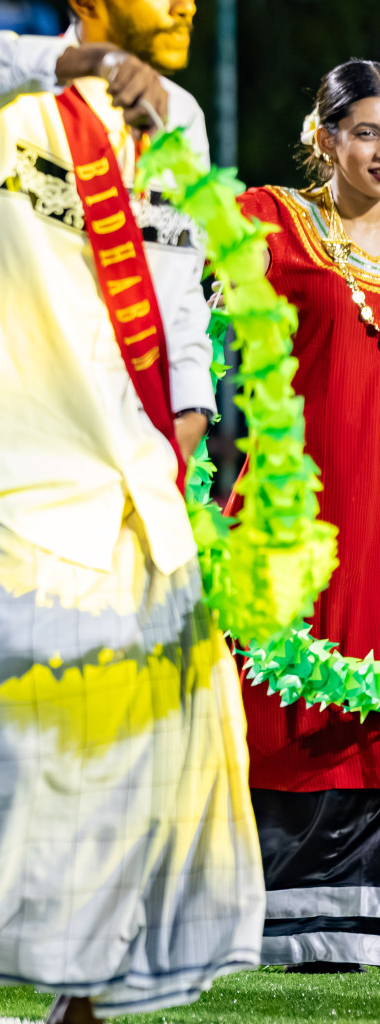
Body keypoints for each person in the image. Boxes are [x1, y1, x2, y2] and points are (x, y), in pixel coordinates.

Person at [0, 2, 263, 1022]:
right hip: (9, 472)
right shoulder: (6, 100)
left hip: (138, 483)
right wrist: (72, 63)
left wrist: (191, 408)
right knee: (8, 750)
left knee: (145, 755)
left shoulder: (178, 117)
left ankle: (86, 992)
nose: (185, 3)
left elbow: (180, 287)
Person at [232, 60, 380, 970]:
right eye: (366, 132)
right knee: (294, 699)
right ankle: (278, 915)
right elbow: (183, 308)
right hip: (303, 515)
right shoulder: (273, 221)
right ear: (326, 139)